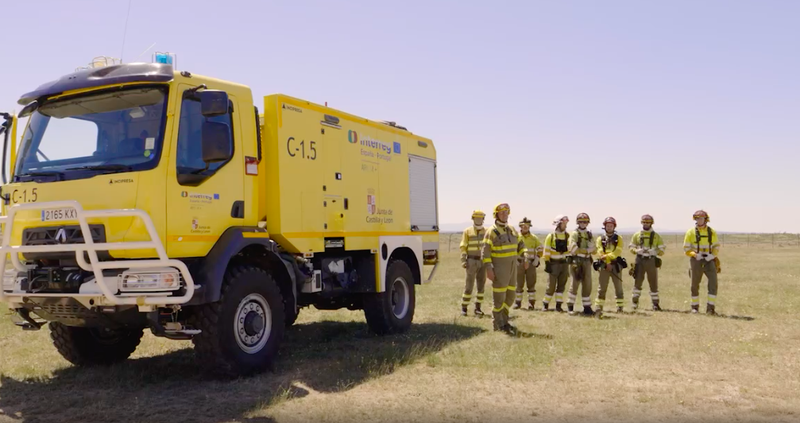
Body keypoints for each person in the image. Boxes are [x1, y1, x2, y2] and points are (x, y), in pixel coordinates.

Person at [482, 203, 527, 333]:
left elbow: (521, 244)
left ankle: (505, 320)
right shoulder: (491, 231)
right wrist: (489, 269)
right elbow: (485, 252)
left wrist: (524, 255)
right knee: (499, 297)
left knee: (511, 296)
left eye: (506, 212)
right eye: (501, 212)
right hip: (499, 268)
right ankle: (498, 323)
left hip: (513, 268)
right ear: (496, 215)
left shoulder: (512, 229)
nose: (505, 214)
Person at [683, 210, 721, 315]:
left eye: (701, 218)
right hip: (696, 260)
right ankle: (694, 308)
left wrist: (712, 255)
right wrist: (694, 255)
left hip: (709, 260)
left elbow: (716, 246)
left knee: (713, 283)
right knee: (694, 284)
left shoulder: (711, 232)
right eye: (697, 218)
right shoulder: (690, 232)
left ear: (706, 219)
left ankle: (710, 309)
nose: (699, 220)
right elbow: (686, 249)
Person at [628, 214, 666, 311]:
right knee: (637, 282)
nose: (646, 224)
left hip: (651, 260)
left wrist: (655, 252)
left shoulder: (656, 236)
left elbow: (662, 249)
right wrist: (636, 251)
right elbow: (631, 247)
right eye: (644, 222)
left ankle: (655, 305)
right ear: (641, 222)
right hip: (639, 260)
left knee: (653, 283)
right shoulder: (637, 235)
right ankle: (634, 303)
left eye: (648, 222)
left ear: (651, 223)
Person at [459, 210, 488, 316]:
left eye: (480, 218)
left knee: (481, 285)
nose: (478, 220)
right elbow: (463, 246)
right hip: (471, 261)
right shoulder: (467, 231)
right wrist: (463, 260)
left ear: (483, 219)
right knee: (469, 285)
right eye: (476, 218)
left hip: (483, 261)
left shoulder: (487, 231)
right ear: (473, 219)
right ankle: (464, 308)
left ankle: (478, 308)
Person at [595, 217, 625, 314]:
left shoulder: (619, 238)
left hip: (616, 265)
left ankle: (620, 308)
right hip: (604, 266)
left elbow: (618, 251)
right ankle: (599, 307)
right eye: (607, 226)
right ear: (605, 227)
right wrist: (607, 262)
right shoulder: (600, 239)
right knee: (602, 288)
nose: (609, 227)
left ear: (614, 226)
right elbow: (599, 251)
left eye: (611, 226)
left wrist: (607, 257)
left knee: (618, 288)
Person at [567, 213, 595, 316]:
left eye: (585, 221)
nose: (583, 223)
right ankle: (570, 306)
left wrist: (583, 250)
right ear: (577, 222)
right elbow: (573, 249)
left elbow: (594, 248)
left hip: (587, 261)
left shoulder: (589, 234)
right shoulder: (574, 234)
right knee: (575, 283)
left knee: (587, 284)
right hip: (576, 261)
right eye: (581, 221)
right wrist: (586, 250)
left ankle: (587, 308)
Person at [542, 215, 570, 312]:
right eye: (564, 223)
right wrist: (547, 263)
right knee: (551, 286)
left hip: (564, 264)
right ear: (558, 224)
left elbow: (569, 250)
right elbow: (546, 250)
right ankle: (545, 304)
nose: (565, 225)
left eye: (566, 223)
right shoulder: (551, 236)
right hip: (553, 264)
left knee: (561, 285)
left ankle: (559, 305)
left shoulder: (567, 236)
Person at [514, 217, 543, 310]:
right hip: (519, 263)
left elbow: (540, 248)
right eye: (523, 226)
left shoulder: (534, 238)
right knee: (518, 284)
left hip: (531, 263)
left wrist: (537, 258)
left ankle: (531, 304)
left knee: (531, 284)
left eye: (527, 226)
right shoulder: (516, 237)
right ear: (520, 226)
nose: (525, 227)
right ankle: (517, 303)